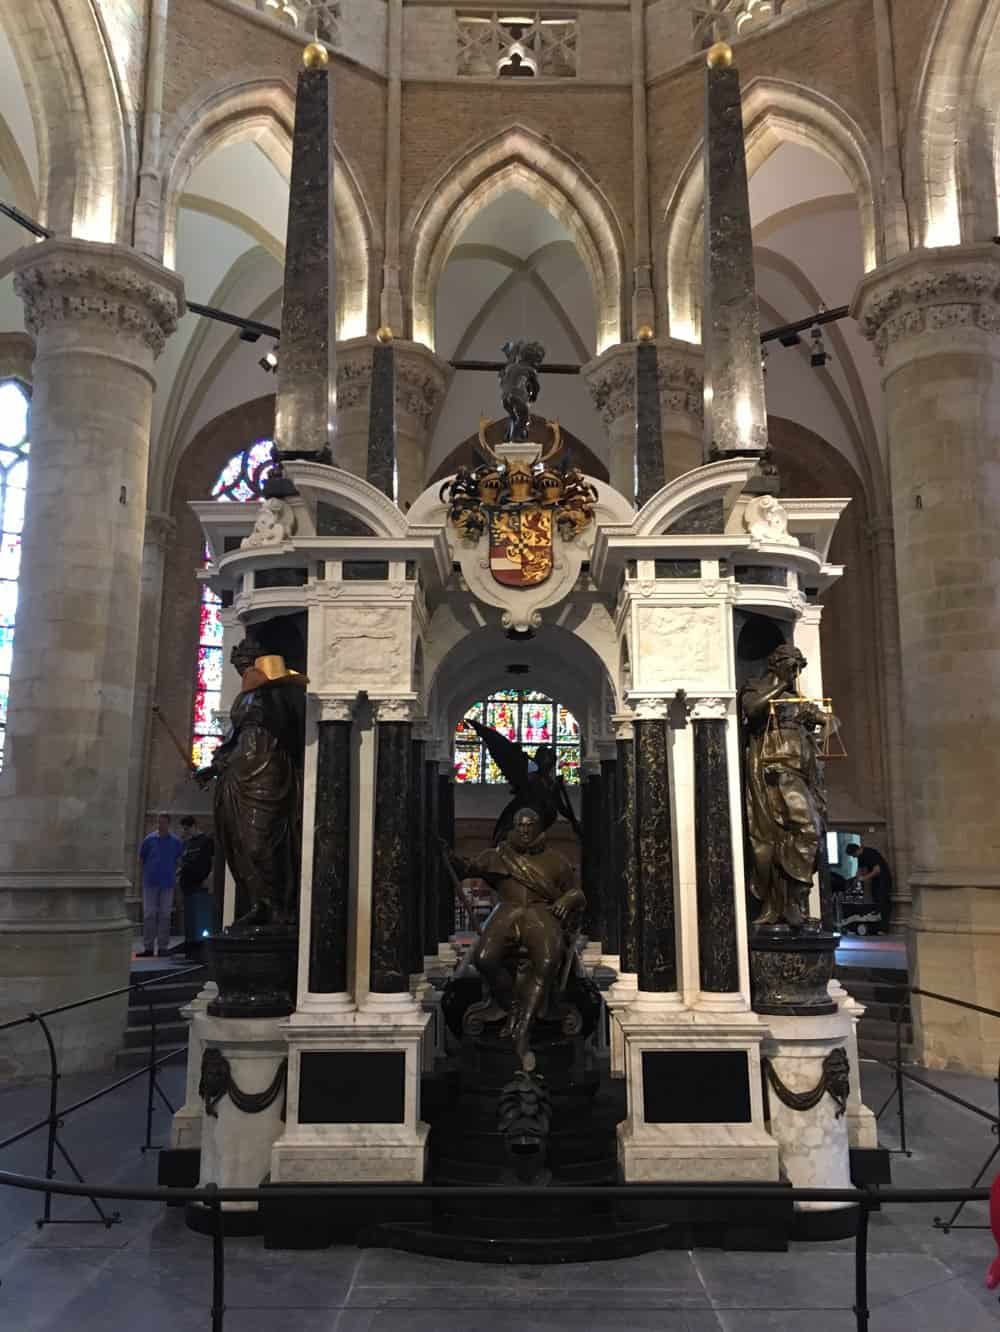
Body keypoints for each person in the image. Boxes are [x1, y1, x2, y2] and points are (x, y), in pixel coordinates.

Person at [444, 807, 585, 1058]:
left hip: (540, 912)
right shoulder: (497, 856)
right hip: (507, 911)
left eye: (530, 825)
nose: (525, 830)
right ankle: (513, 1007)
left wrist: (567, 899)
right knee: (484, 958)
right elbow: (466, 869)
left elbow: (577, 893)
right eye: (520, 825)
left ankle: (523, 1027)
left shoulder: (557, 860)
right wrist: (447, 854)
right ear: (513, 827)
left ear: (539, 828)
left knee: (548, 960)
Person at [137, 813, 184, 957]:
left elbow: (180, 860)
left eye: (163, 822)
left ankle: (163, 946)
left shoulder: (175, 841)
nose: (160, 825)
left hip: (167, 883)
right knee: (149, 914)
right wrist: (144, 875)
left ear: (168, 824)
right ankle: (148, 947)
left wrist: (175, 873)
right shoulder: (149, 840)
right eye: (158, 822)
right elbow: (141, 859)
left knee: (165, 915)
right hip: (150, 882)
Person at [177, 815, 215, 956]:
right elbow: (185, 861)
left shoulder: (206, 841)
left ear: (194, 826)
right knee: (189, 916)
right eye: (184, 829)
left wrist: (210, 878)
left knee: (199, 915)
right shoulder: (187, 843)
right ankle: (190, 942)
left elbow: (212, 860)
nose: (185, 832)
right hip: (187, 884)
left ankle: (200, 944)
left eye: (187, 829)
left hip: (199, 883)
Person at [846, 841, 893, 933]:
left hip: (883, 879)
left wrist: (865, 878)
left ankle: (884, 928)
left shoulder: (870, 853)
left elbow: (877, 870)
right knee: (876, 900)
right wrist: (854, 881)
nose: (853, 857)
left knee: (882, 902)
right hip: (876, 880)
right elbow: (859, 870)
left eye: (853, 855)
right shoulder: (860, 857)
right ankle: (877, 928)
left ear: (857, 850)